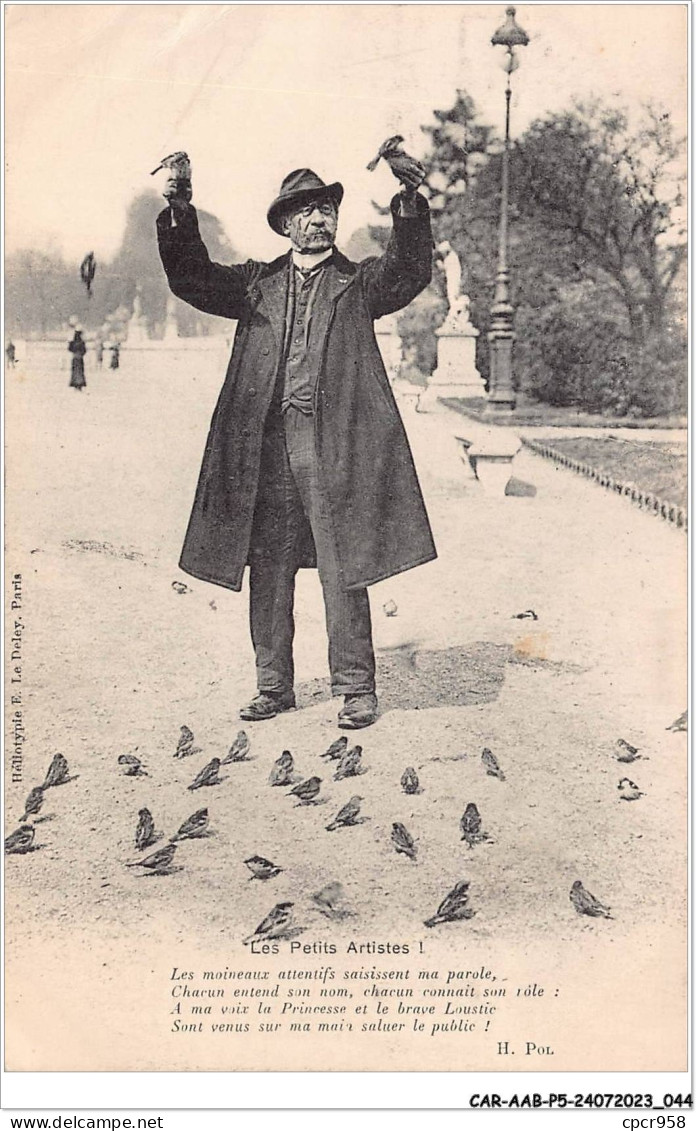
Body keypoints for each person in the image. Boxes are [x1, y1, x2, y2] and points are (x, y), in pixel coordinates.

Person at [157, 155, 436, 730]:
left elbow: (408, 271)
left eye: (326, 208)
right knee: (269, 564)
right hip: (265, 448)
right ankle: (272, 686)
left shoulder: (358, 283)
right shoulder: (254, 284)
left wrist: (408, 199)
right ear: (285, 225)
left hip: (331, 445)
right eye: (306, 210)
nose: (318, 218)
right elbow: (192, 278)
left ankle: (356, 688)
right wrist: (181, 210)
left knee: (345, 564)